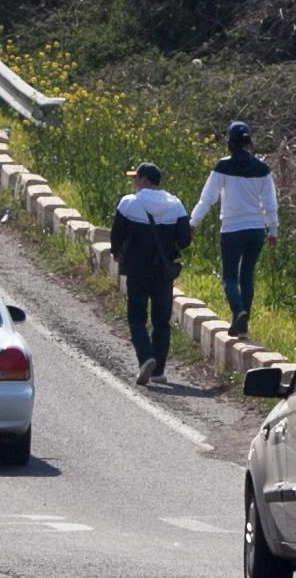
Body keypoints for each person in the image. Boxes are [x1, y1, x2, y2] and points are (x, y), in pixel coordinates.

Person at [189, 121, 279, 337]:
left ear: (230, 142)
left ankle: (238, 311)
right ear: (249, 141)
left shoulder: (223, 166)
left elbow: (207, 198)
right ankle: (242, 328)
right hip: (256, 229)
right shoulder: (262, 169)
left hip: (232, 228)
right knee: (247, 276)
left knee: (229, 277)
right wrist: (273, 230)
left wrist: (193, 222)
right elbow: (270, 203)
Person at [108, 163, 192, 385]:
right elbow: (184, 240)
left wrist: (117, 253)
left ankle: (146, 357)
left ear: (145, 180)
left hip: (136, 270)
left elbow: (117, 235)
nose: (134, 183)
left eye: (136, 179)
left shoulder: (129, 203)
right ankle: (159, 371)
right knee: (161, 321)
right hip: (163, 272)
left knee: (137, 318)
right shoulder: (176, 205)